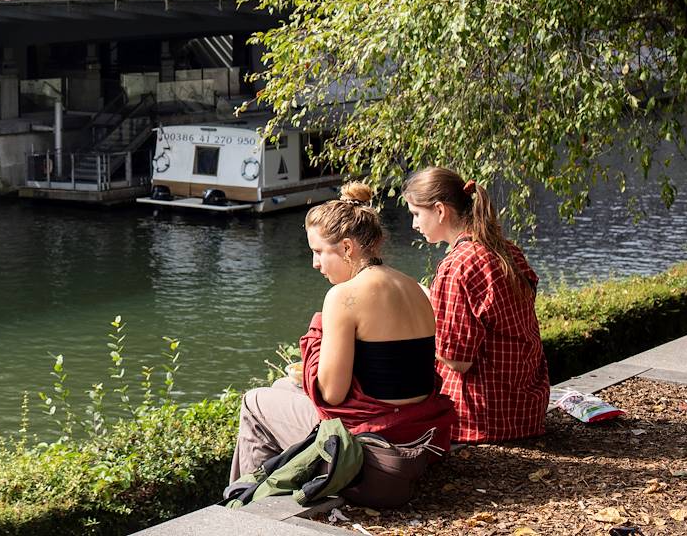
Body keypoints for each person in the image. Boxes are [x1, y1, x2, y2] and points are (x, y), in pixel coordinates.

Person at [229, 183, 455, 484]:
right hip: (419, 441)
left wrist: (317, 338)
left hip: (375, 456)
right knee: (284, 386)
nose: (315, 263)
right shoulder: (414, 288)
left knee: (253, 402)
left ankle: (248, 505)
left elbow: (332, 394)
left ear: (347, 247)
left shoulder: (343, 296)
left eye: (319, 251)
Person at [404, 166, 550, 443]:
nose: (413, 225)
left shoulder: (457, 266)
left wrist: (421, 312)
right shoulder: (506, 249)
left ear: (439, 210)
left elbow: (457, 361)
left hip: (482, 419)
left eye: (416, 214)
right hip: (527, 408)